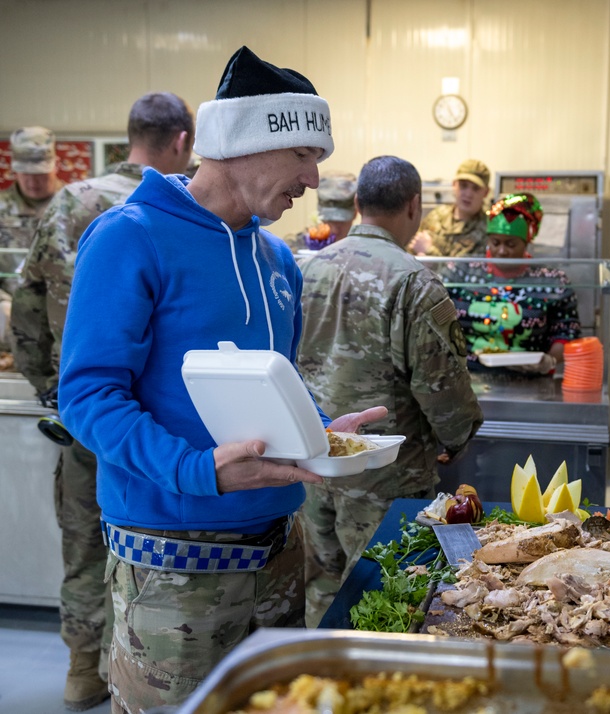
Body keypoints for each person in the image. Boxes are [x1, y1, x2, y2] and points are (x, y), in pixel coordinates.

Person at [57, 46, 384, 713]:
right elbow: (88, 397)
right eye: (305, 157)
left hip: (277, 552)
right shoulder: (130, 238)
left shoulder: (275, 259)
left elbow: (268, 386)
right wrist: (198, 469)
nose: (314, 181)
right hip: (173, 562)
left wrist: (317, 432)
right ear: (249, 144)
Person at [8, 92, 194, 712]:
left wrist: (52, 390)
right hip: (164, 425)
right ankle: (144, 670)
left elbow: (27, 305)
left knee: (85, 543)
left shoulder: (71, 203)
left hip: (88, 415)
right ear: (183, 141)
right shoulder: (179, 208)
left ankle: (83, 669)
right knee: (162, 544)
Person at [296, 155, 483, 626]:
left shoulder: (309, 269)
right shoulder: (415, 282)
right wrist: (457, 438)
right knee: (390, 588)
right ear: (415, 206)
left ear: (358, 204)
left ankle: (326, 685)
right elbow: (440, 384)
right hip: (386, 471)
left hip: (314, 459)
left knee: (321, 584)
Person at [445, 193, 581, 375]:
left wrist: (550, 360)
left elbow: (567, 332)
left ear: (526, 244)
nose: (501, 251)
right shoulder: (461, 271)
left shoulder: (553, 281)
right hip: (466, 376)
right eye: (495, 243)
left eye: (511, 244)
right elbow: (438, 318)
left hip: (530, 379)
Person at [0, 126, 64, 349]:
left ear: (54, 165)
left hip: (62, 321)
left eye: (39, 173)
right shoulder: (2, 208)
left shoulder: (74, 205)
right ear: (14, 169)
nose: (32, 181)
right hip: (10, 324)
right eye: (26, 173)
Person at [408, 158, 490, 256]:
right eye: (463, 186)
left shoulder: (488, 228)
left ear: (486, 193)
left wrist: (430, 252)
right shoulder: (436, 216)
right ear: (454, 185)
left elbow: (467, 270)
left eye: (475, 188)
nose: (468, 194)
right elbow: (411, 250)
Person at [286, 170, 358, 252]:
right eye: (329, 222)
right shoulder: (298, 245)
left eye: (341, 223)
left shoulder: (362, 248)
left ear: (355, 213)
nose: (335, 230)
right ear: (320, 214)